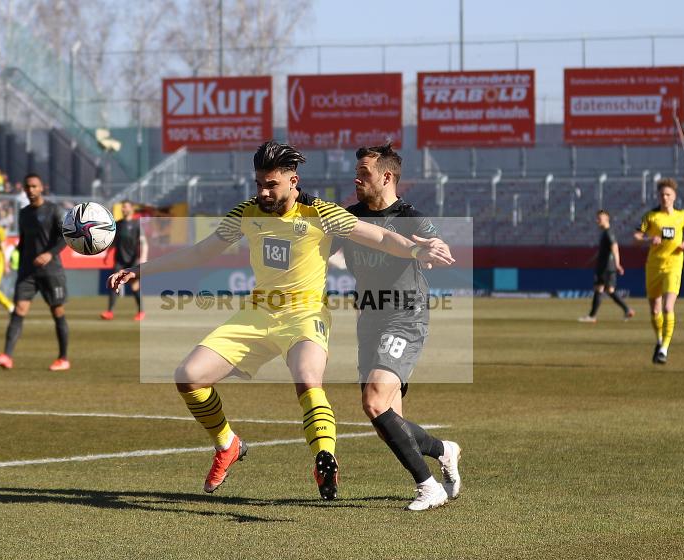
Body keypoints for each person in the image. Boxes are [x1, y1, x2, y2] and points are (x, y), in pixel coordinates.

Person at [108, 140, 453, 500]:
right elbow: (200, 252)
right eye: (259, 183)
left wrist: (416, 248)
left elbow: (380, 235)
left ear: (293, 181)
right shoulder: (246, 213)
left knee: (307, 379)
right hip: (257, 314)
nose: (263, 191)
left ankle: (325, 458)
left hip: (305, 315)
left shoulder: (322, 213)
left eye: (271, 184)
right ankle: (227, 444)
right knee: (188, 377)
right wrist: (140, 270)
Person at [330, 144, 461, 511]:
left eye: (365, 173)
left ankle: (429, 487)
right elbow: (320, 250)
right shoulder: (348, 217)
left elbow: (434, 240)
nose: (357, 178)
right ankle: (443, 450)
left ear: (386, 177)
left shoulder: (409, 215)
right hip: (368, 318)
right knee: (390, 420)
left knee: (373, 402)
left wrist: (434, 246)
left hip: (405, 316)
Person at [0, 173, 70, 371]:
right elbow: (23, 241)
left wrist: (49, 254)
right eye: (28, 187)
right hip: (28, 272)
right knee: (18, 310)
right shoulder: (24, 214)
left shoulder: (54, 210)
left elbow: (66, 238)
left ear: (41, 188)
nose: (31, 190)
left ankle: (63, 358)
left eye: (34, 186)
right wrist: (12, 257)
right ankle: (7, 356)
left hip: (51, 271)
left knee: (57, 312)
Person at [633, 178, 684, 365]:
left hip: (674, 265)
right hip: (653, 266)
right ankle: (659, 340)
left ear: (674, 196)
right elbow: (636, 237)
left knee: (668, 307)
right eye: (662, 194)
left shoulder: (683, 215)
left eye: (668, 194)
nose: (665, 197)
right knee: (655, 310)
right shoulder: (650, 216)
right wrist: (648, 240)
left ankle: (664, 348)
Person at [578, 209, 634, 323]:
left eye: (599, 218)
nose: (597, 220)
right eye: (597, 218)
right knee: (609, 290)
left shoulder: (608, 233)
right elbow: (605, 250)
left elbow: (615, 247)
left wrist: (618, 264)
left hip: (606, 267)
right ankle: (627, 310)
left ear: (607, 219)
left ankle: (592, 316)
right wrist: (594, 259)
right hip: (607, 266)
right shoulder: (605, 233)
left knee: (599, 289)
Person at [101, 200, 148, 321]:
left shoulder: (137, 224)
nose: (123, 209)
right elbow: (113, 242)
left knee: (134, 286)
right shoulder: (118, 224)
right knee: (114, 283)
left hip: (132, 261)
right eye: (122, 207)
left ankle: (141, 312)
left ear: (131, 209)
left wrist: (143, 257)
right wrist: (107, 254)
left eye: (125, 207)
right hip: (119, 260)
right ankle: (109, 312)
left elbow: (143, 242)